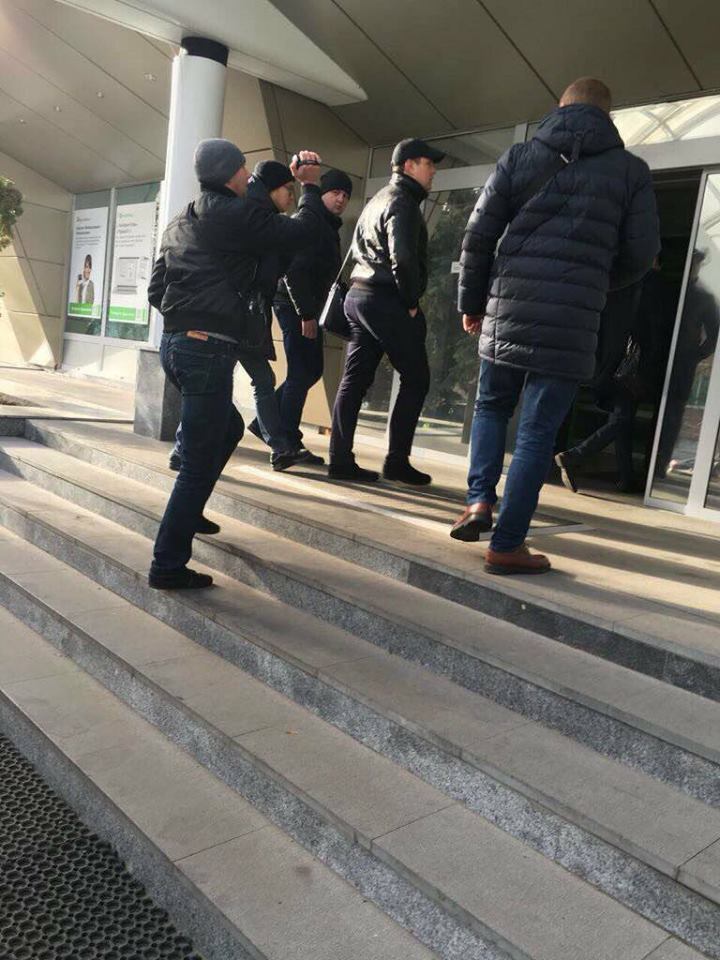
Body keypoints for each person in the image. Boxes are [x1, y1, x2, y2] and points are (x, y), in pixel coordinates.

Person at [450, 77, 659, 575]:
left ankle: (478, 500)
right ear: (609, 116)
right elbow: (643, 253)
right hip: (573, 319)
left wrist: (472, 302)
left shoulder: (520, 156)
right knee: (537, 433)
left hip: (509, 305)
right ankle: (506, 545)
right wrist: (594, 281)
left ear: (560, 108)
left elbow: (478, 236)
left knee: (491, 406)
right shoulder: (630, 171)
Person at [147, 139, 319, 590]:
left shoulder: (181, 219)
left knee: (227, 429)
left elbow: (155, 290)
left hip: (175, 345)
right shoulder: (234, 214)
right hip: (205, 350)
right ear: (228, 174)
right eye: (243, 169)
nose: (248, 176)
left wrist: (187, 321)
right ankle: (167, 564)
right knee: (197, 461)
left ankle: (189, 513)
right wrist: (308, 186)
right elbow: (300, 232)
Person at [168, 157, 320, 475]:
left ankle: (186, 452)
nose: (291, 196)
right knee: (230, 392)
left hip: (225, 324)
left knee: (226, 396)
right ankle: (275, 446)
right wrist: (309, 184)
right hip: (227, 323)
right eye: (288, 189)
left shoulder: (213, 214)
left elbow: (160, 282)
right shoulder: (249, 216)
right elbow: (304, 233)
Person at [328, 137, 445, 484]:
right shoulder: (403, 202)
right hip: (386, 300)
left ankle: (340, 459)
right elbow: (403, 258)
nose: (433, 171)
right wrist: (411, 302)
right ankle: (396, 462)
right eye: (429, 163)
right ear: (409, 165)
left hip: (359, 297)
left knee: (354, 381)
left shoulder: (378, 198)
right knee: (417, 378)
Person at [258, 168, 353, 464]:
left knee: (310, 370)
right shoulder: (311, 222)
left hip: (305, 307)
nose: (341, 199)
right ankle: (286, 441)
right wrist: (306, 313)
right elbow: (294, 271)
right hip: (294, 306)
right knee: (301, 371)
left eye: (346, 195)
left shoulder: (327, 226)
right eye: (335, 192)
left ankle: (268, 424)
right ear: (321, 194)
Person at [554, 283, 643, 493]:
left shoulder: (615, 287)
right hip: (623, 370)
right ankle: (574, 456)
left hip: (608, 367)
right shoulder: (641, 289)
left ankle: (627, 477)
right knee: (622, 420)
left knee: (621, 420)